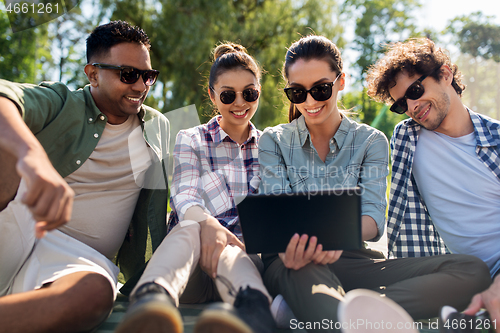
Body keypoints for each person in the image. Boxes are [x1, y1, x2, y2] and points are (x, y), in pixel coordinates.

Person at [257, 35, 491, 332]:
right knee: (305, 270)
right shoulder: (273, 140)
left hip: (355, 260)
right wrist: (310, 241)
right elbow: (276, 214)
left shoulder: (370, 141)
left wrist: (332, 236)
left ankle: (329, 314)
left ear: (341, 81)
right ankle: (347, 316)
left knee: (473, 272)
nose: (311, 101)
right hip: (293, 260)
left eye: (320, 89)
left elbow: (372, 219)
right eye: (298, 93)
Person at [0, 21, 169, 332]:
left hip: (77, 263)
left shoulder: (159, 127)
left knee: (96, 293)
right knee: (7, 145)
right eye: (128, 75)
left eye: (148, 76)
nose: (140, 86)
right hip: (18, 230)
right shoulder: (63, 101)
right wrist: (33, 159)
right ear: (92, 74)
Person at [115, 42, 275, 333]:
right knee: (189, 225)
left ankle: (254, 312)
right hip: (187, 270)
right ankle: (152, 302)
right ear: (213, 96)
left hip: (242, 266)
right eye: (228, 95)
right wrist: (209, 224)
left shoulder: (270, 146)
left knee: (230, 247)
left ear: (259, 93)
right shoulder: (192, 138)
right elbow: (185, 196)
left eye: (249, 93)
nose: (240, 103)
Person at [366, 37, 500, 331]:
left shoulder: (497, 140)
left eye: (415, 90)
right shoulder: (407, 138)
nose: (412, 106)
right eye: (402, 103)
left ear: (446, 73)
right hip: (456, 276)